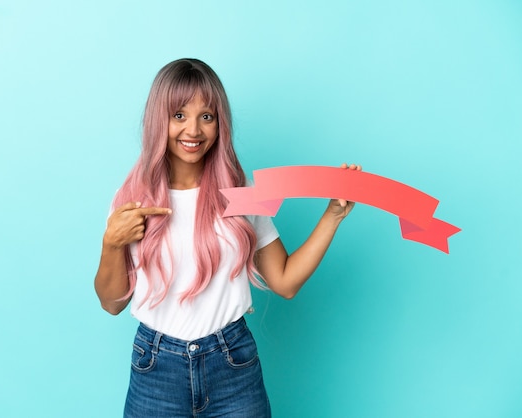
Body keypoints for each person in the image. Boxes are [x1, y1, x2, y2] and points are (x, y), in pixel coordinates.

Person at [94, 58, 361, 417]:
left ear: (220, 123)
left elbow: (284, 281)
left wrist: (333, 216)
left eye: (207, 116)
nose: (194, 130)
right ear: (159, 120)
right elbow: (111, 303)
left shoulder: (240, 192)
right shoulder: (133, 197)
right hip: (155, 367)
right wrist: (112, 243)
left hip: (232, 363)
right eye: (179, 115)